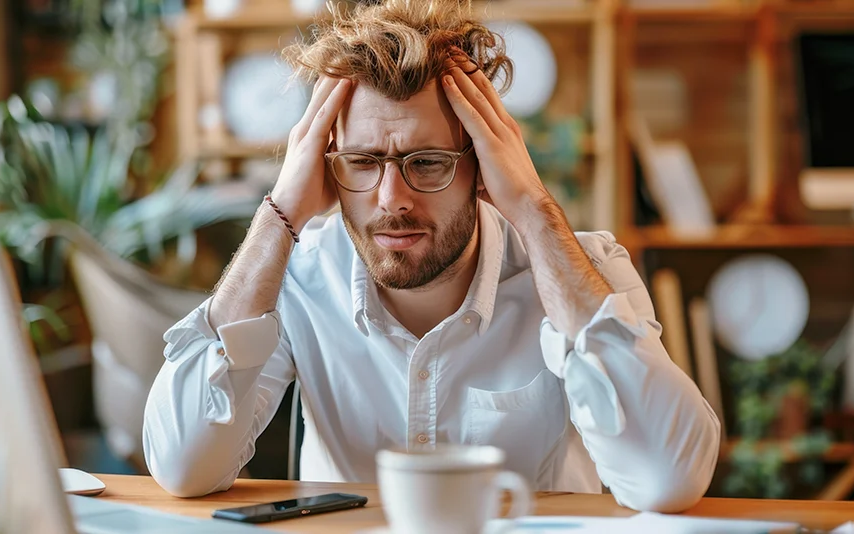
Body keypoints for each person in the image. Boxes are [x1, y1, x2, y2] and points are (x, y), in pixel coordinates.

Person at [143, 0, 720, 512]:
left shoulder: (587, 272)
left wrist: (534, 211)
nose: (391, 200)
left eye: (428, 163)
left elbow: (668, 479)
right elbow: (182, 467)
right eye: (363, 163)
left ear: (483, 169)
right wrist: (280, 215)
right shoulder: (297, 276)